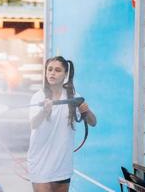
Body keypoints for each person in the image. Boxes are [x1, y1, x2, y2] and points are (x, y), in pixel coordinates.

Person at [27, 56, 97, 192]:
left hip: (62, 163)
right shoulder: (38, 96)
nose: (52, 73)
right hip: (40, 162)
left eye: (57, 70)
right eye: (49, 69)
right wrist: (44, 112)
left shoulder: (73, 96)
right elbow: (33, 124)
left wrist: (86, 111)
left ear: (65, 74)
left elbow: (93, 122)